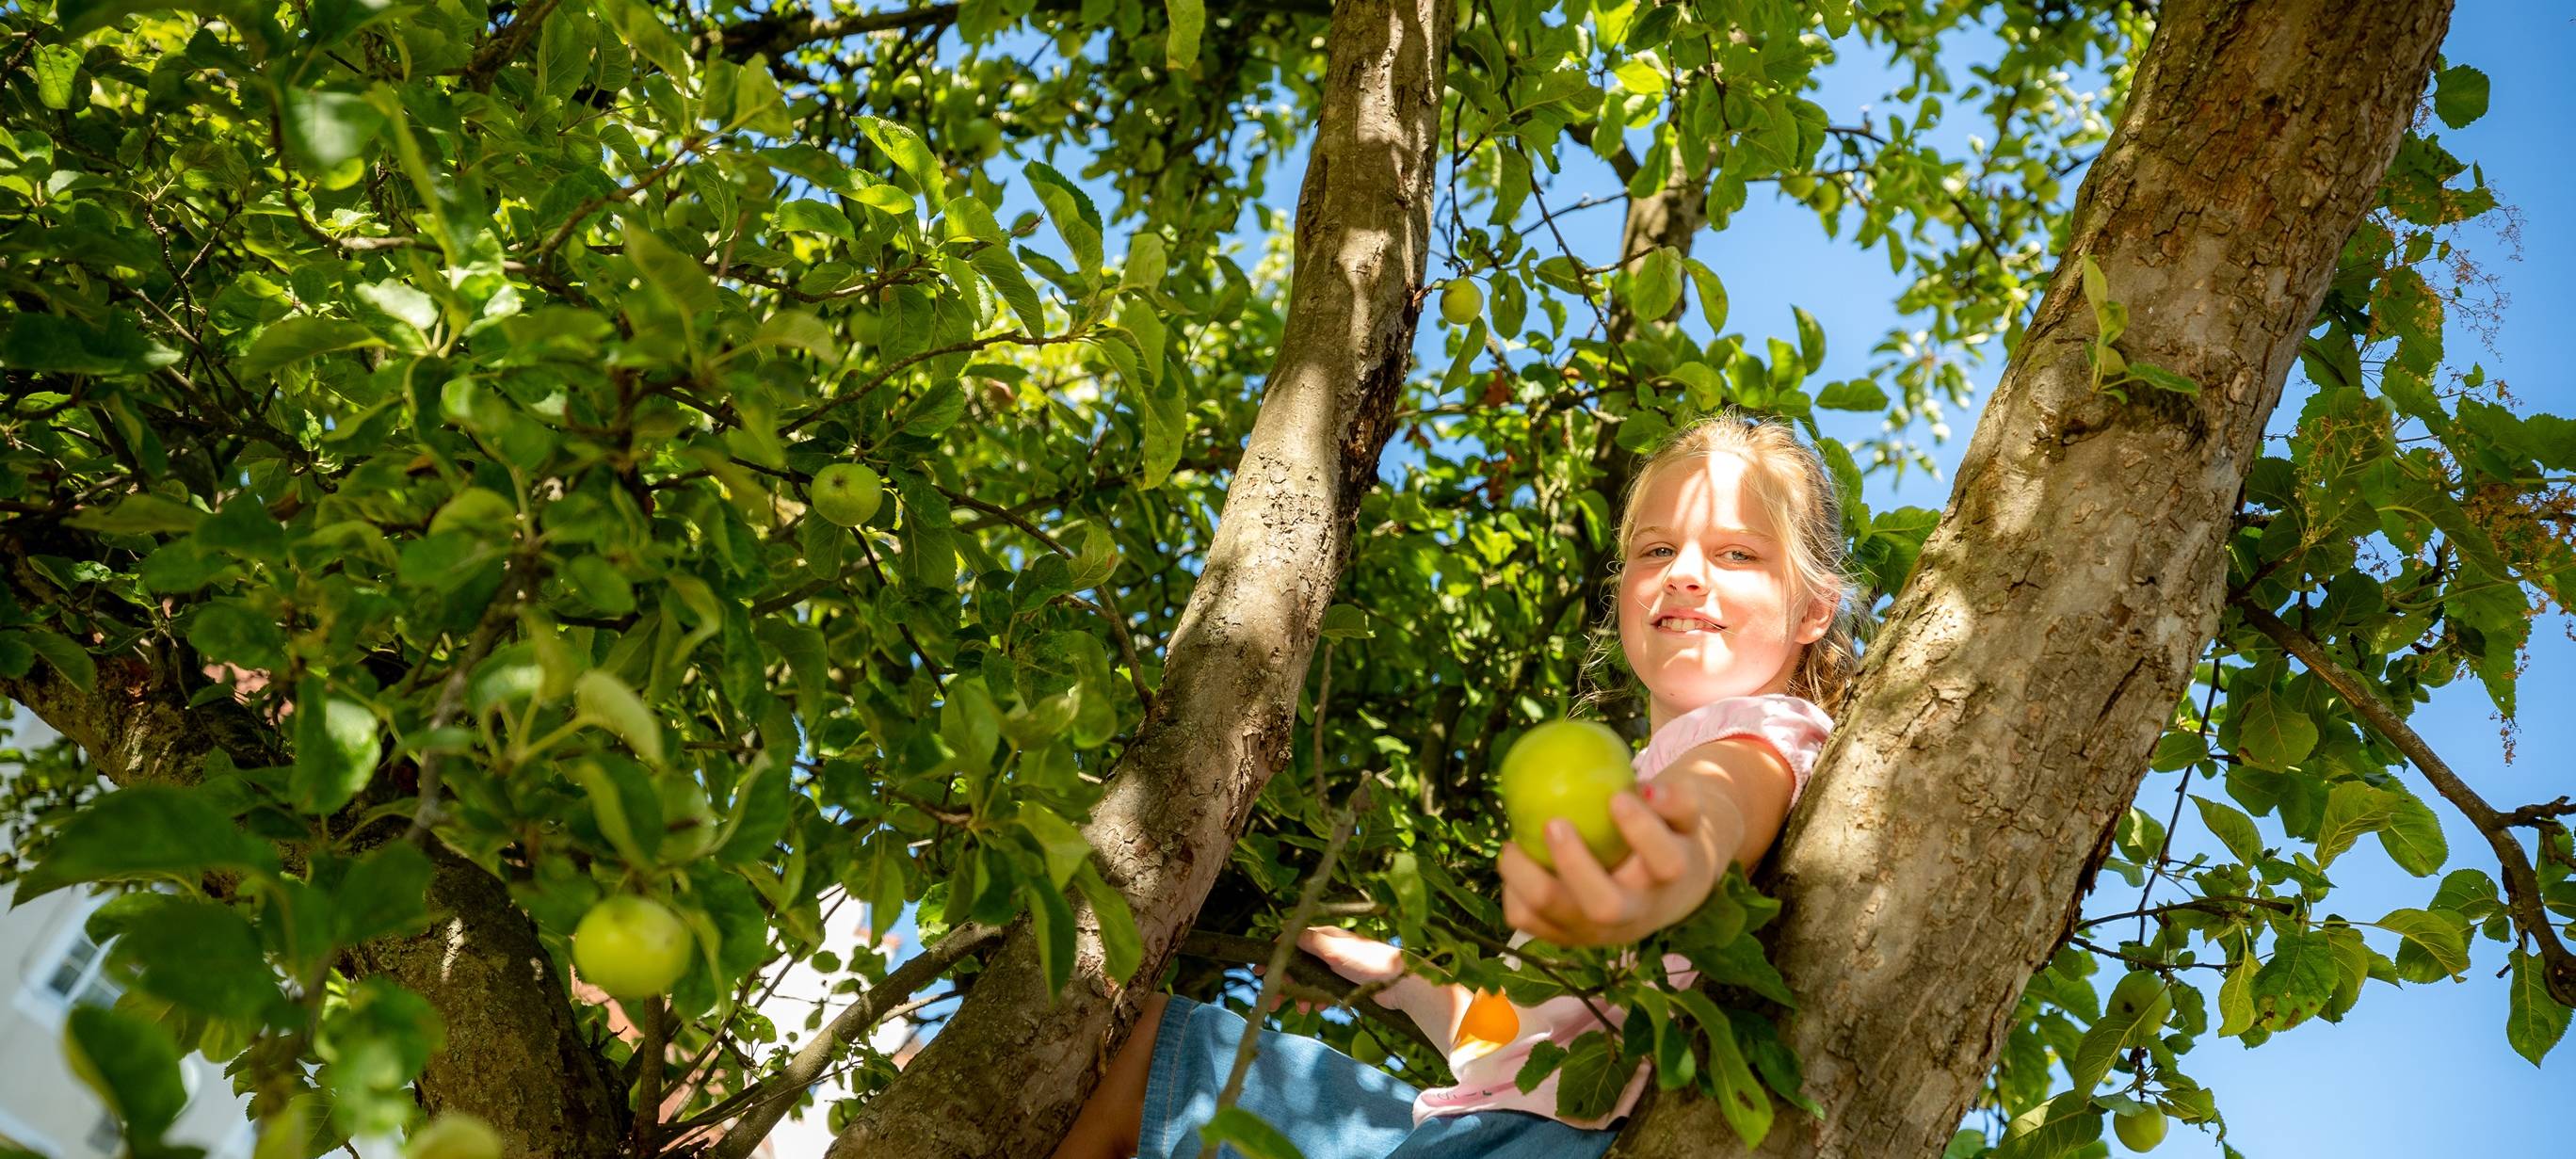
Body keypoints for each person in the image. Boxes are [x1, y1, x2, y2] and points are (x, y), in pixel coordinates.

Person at [1051, 412, 1861, 1159]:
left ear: (1813, 609)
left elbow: (1719, 804)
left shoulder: (1764, 734)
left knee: (1133, 1061)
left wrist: (1666, 872)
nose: (1685, 573)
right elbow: (1518, 1040)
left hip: (1531, 1144)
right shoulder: (1643, 769)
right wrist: (1405, 980)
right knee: (1139, 1050)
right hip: (1475, 1124)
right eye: (1656, 550)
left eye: (1736, 553)